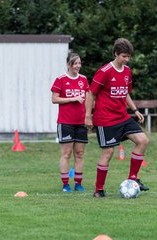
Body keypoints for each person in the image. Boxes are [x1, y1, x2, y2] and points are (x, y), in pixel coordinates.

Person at [85, 38, 149, 198]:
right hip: (105, 119)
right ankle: (98, 189)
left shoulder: (127, 71)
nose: (126, 60)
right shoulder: (105, 71)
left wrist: (135, 110)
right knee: (108, 152)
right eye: (123, 56)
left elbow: (125, 92)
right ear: (116, 54)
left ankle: (133, 179)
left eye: (128, 57)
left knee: (143, 141)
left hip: (122, 117)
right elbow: (91, 93)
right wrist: (88, 116)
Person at [51, 52, 89, 193]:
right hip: (65, 122)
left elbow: (88, 99)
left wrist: (89, 117)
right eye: (75, 63)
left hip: (81, 122)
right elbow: (54, 99)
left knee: (79, 154)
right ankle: (65, 184)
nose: (78, 66)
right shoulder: (60, 80)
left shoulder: (84, 80)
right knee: (66, 154)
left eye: (79, 63)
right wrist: (72, 99)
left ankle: (78, 184)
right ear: (69, 65)